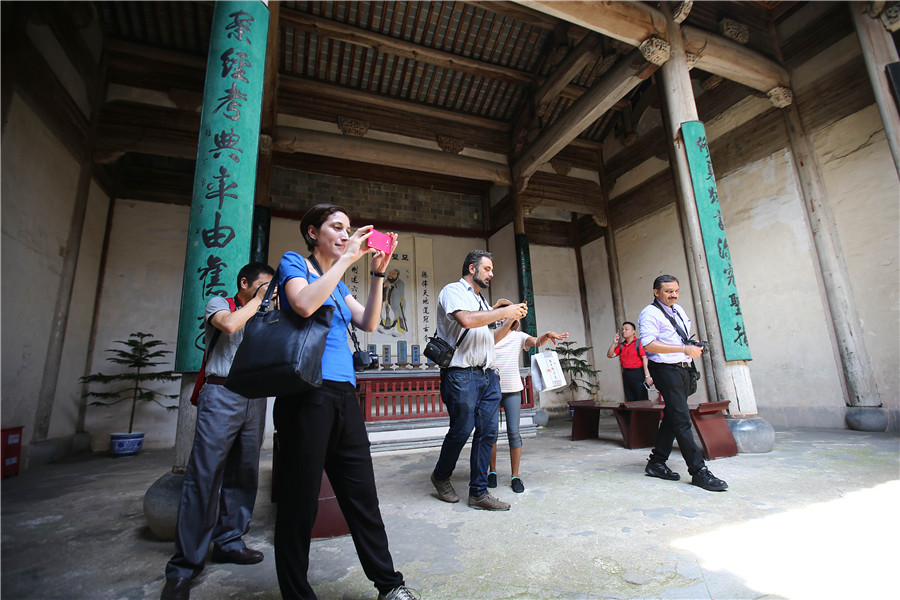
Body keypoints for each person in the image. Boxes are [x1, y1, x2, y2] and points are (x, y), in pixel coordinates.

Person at [274, 204, 419, 600]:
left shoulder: (338, 284)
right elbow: (302, 303)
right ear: (311, 232)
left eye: (349, 229)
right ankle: (297, 594)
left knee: (362, 497)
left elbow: (369, 322)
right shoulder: (294, 264)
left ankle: (390, 586)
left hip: (343, 395)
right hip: (305, 395)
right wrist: (346, 261)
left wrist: (376, 274)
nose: (344, 234)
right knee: (299, 503)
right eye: (336, 228)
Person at [161, 262, 275, 600]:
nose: (268, 291)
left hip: (254, 396)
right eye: (263, 285)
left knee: (244, 472)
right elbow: (228, 326)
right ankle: (184, 567)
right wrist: (259, 301)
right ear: (244, 283)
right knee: (205, 475)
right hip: (221, 393)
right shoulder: (220, 304)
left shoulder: (267, 313)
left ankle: (228, 541)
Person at [430, 250, 528, 511]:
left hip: (488, 375)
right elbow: (466, 320)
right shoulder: (454, 291)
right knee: (462, 430)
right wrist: (503, 311)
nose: (491, 274)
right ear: (472, 269)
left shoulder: (483, 302)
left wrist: (509, 320)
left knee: (488, 433)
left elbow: (490, 340)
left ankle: (479, 492)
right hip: (461, 374)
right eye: (488, 269)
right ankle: (440, 477)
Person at [637, 274, 728, 492]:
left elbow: (679, 339)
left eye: (676, 290)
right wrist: (682, 349)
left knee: (673, 416)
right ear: (656, 292)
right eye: (668, 291)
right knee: (682, 419)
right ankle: (698, 471)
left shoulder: (679, 310)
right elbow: (648, 344)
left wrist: (691, 346)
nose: (673, 295)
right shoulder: (650, 313)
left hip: (683, 368)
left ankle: (656, 463)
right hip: (665, 370)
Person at [488, 305, 568, 493]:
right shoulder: (489, 335)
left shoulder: (519, 337)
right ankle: (492, 472)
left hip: (513, 389)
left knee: (513, 433)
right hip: (490, 389)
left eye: (507, 316)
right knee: (490, 433)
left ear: (514, 321)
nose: (502, 320)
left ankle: (515, 476)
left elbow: (536, 341)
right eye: (500, 316)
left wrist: (548, 335)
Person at [606, 321, 653, 402]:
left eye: (626, 329)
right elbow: (610, 355)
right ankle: (633, 414)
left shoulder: (639, 343)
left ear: (633, 331)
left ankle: (644, 414)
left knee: (641, 398)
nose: (623, 331)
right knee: (630, 399)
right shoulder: (621, 345)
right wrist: (614, 343)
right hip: (626, 374)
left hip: (638, 373)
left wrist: (647, 376)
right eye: (622, 330)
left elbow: (645, 359)